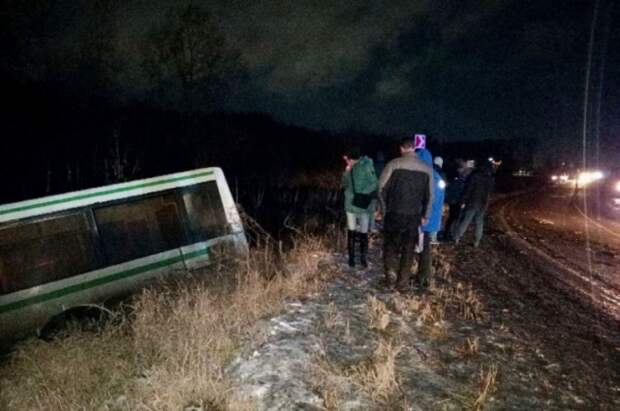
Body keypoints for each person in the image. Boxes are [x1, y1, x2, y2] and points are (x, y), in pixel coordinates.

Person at [378, 138, 433, 292]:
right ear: (414, 148)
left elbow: (381, 189)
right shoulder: (427, 169)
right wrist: (426, 215)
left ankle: (390, 276)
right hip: (414, 216)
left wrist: (383, 210)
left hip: (393, 213)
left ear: (402, 148)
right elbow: (430, 196)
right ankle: (402, 283)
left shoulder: (393, 164)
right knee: (408, 249)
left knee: (391, 245)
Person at [342, 148, 378, 268]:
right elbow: (343, 184)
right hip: (350, 204)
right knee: (351, 231)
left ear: (352, 159)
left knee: (363, 232)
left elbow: (374, 183)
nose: (346, 162)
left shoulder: (366, 166)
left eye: (347, 160)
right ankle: (351, 258)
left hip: (363, 204)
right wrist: (346, 172)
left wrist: (362, 193)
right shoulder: (349, 168)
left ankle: (363, 258)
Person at [415, 149, 446, 290]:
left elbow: (426, 201)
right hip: (431, 220)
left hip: (423, 220)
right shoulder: (437, 177)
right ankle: (423, 276)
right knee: (424, 249)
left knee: (423, 250)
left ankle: (424, 278)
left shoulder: (426, 177)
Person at [453, 161, 495, 247]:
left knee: (466, 220)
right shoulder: (490, 179)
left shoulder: (475, 176)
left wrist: (463, 201)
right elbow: (490, 192)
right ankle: (477, 241)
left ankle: (457, 237)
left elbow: (468, 190)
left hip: (472, 202)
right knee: (479, 222)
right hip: (483, 203)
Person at [442, 159, 473, 241]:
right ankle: (448, 234)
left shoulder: (457, 178)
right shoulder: (461, 180)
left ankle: (447, 233)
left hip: (454, 200)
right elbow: (460, 191)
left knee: (452, 218)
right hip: (456, 201)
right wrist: (462, 201)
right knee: (454, 218)